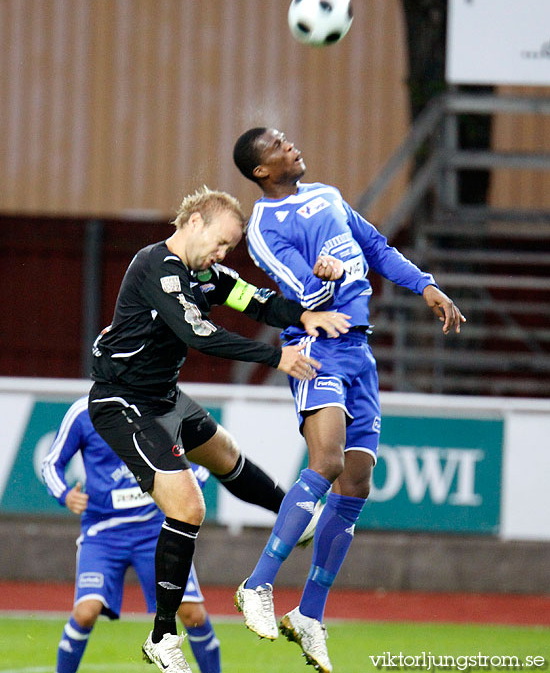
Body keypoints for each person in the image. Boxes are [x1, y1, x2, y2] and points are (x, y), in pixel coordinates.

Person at [87, 186, 350, 673]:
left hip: (163, 396)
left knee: (225, 454)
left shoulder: (204, 274)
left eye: (230, 247)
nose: (224, 253)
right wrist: (278, 356)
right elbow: (198, 334)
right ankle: (163, 636)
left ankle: (298, 521)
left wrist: (307, 309)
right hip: (123, 402)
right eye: (222, 242)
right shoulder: (156, 268)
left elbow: (259, 304)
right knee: (189, 506)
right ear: (194, 223)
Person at [232, 127, 466, 673]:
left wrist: (426, 286)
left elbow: (377, 248)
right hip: (317, 346)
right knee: (329, 461)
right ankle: (258, 584)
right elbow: (299, 298)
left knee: (356, 483)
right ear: (262, 171)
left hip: (358, 350)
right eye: (277, 146)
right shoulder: (264, 228)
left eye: (290, 138)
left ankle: (309, 614)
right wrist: (321, 276)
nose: (291, 145)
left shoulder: (330, 196)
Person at [42, 397, 221, 673]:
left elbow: (201, 454)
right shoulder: (82, 412)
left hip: (155, 531)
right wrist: (65, 495)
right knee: (85, 612)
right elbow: (51, 464)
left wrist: (194, 478)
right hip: (103, 533)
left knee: (192, 614)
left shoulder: (157, 405)